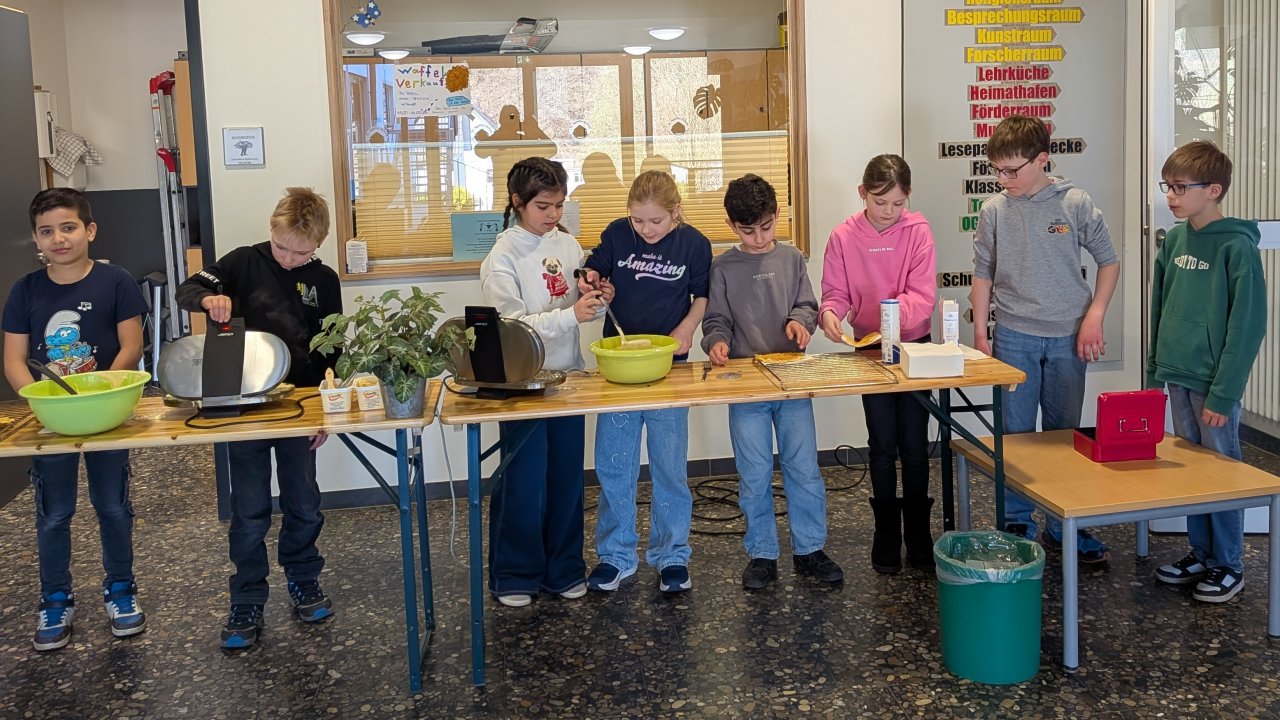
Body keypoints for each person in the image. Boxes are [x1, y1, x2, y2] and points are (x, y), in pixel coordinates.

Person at [176, 187, 343, 648]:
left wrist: (325, 412)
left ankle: (304, 578)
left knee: (303, 503)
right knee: (248, 511)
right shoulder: (241, 262)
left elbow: (335, 348)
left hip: (300, 406)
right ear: (271, 231)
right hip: (241, 403)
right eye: (282, 247)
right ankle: (246, 597)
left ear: (319, 244)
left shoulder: (324, 279)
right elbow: (188, 288)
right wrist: (209, 301)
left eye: (301, 252)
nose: (289, 259)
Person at [3, 188, 149, 651]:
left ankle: (121, 590)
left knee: (112, 506)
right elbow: (14, 359)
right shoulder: (24, 291)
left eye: (68, 228)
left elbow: (132, 346)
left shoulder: (116, 281)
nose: (58, 239)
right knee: (53, 513)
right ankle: (54, 598)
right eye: (47, 231)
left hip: (106, 417)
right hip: (50, 420)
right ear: (36, 239)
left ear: (89, 230)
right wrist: (41, 403)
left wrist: (105, 395)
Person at [970, 115, 1120, 564]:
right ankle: (1016, 518)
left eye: (1012, 170)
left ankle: (1063, 524)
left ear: (1042, 160)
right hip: (1014, 334)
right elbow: (983, 273)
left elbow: (1108, 262)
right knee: (1015, 434)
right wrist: (982, 332)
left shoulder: (1074, 202)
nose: (1003, 179)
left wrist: (1094, 316)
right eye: (997, 170)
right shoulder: (994, 209)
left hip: (1068, 336)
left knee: (1062, 435)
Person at [701, 174, 844, 590]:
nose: (760, 237)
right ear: (731, 227)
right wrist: (717, 342)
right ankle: (762, 552)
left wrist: (800, 323)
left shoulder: (792, 258)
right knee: (754, 471)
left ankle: (809, 548)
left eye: (766, 226)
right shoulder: (724, 267)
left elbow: (806, 304)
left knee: (804, 469)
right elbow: (716, 320)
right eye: (748, 230)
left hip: (792, 380)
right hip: (746, 383)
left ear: (777, 215)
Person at [479, 157, 605, 607]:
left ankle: (564, 568)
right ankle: (515, 574)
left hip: (567, 377)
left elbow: (578, 304)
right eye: (543, 206)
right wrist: (570, 313)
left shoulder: (567, 245)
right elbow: (512, 326)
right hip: (521, 383)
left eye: (558, 205)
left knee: (567, 479)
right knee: (525, 480)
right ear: (518, 203)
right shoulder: (502, 257)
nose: (553, 215)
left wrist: (595, 296)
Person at [578, 170, 712, 594]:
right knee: (614, 466)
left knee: (669, 466)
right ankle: (616, 555)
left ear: (675, 212)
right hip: (618, 368)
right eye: (638, 221)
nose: (646, 230)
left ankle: (671, 554)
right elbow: (594, 271)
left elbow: (702, 296)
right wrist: (595, 284)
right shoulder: (619, 234)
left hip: (669, 367)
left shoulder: (694, 244)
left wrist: (688, 328)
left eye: (655, 221)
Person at [1149, 141, 1266, 603]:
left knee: (1222, 472)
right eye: (1168, 186)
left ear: (1213, 190)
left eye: (1180, 188)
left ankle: (1229, 564)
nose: (1171, 197)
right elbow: (1161, 306)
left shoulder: (1236, 246)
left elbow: (1247, 326)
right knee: (1192, 471)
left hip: (1213, 384)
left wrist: (1223, 393)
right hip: (1177, 373)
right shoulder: (1175, 240)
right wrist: (1155, 369)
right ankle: (1200, 552)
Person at [818, 155, 938, 574]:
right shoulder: (843, 236)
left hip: (913, 346)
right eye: (880, 202)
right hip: (869, 349)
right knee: (882, 442)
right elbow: (835, 291)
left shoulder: (918, 231)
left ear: (908, 199)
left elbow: (923, 297)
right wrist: (831, 313)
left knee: (915, 444)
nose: (889, 213)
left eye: (898, 204)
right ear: (862, 194)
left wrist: (888, 315)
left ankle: (919, 533)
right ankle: (886, 530)